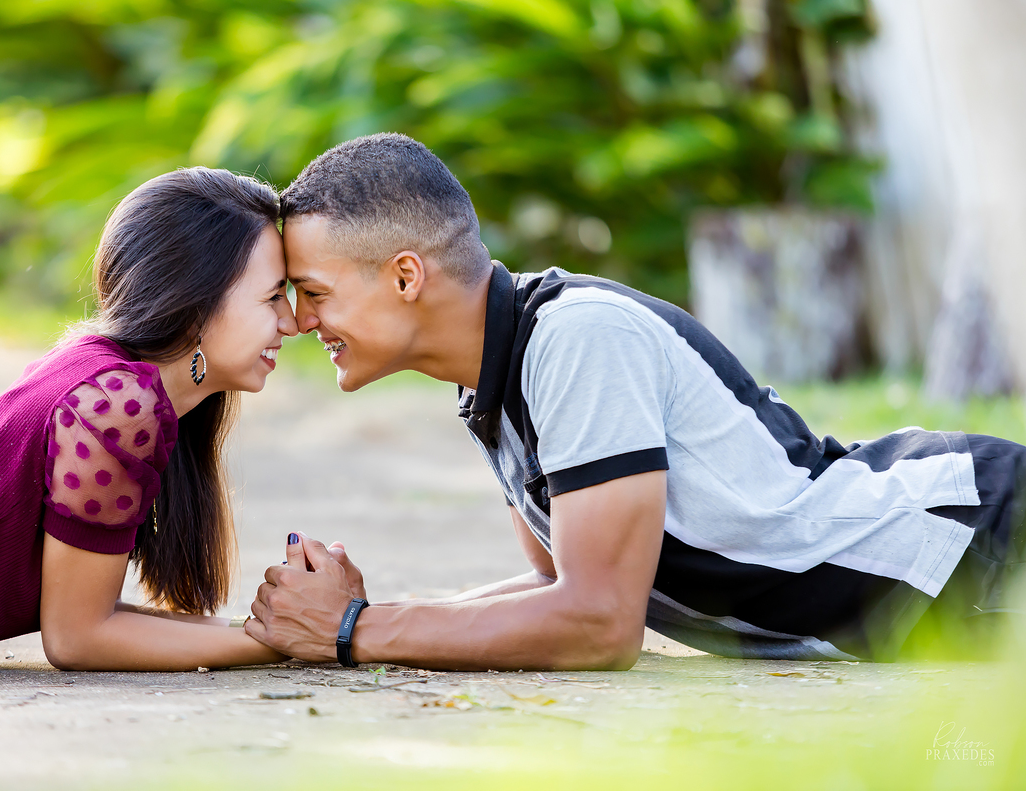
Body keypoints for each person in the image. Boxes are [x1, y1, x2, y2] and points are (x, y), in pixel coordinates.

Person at [245, 133, 1026, 669]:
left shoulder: (578, 341)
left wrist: (354, 630)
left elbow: (598, 625)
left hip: (980, 548)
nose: (299, 320)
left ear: (407, 277)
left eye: (312, 292)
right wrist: (377, 615)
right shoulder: (494, 377)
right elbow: (570, 589)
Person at [0, 167, 297, 670]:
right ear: (196, 305)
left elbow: (89, 614)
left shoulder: (102, 373)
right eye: (272, 297)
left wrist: (269, 630)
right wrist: (287, 643)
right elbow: (79, 638)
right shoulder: (116, 404)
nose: (291, 322)